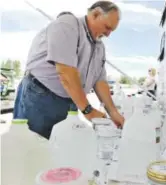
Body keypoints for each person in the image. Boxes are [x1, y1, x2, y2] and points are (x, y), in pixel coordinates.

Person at [13, 1, 124, 139]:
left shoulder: (99, 47)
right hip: (40, 98)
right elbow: (65, 72)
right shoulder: (68, 24)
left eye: (111, 30)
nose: (108, 34)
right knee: (33, 147)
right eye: (107, 27)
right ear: (95, 14)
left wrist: (113, 113)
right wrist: (88, 111)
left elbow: (100, 81)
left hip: (71, 101)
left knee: (60, 148)